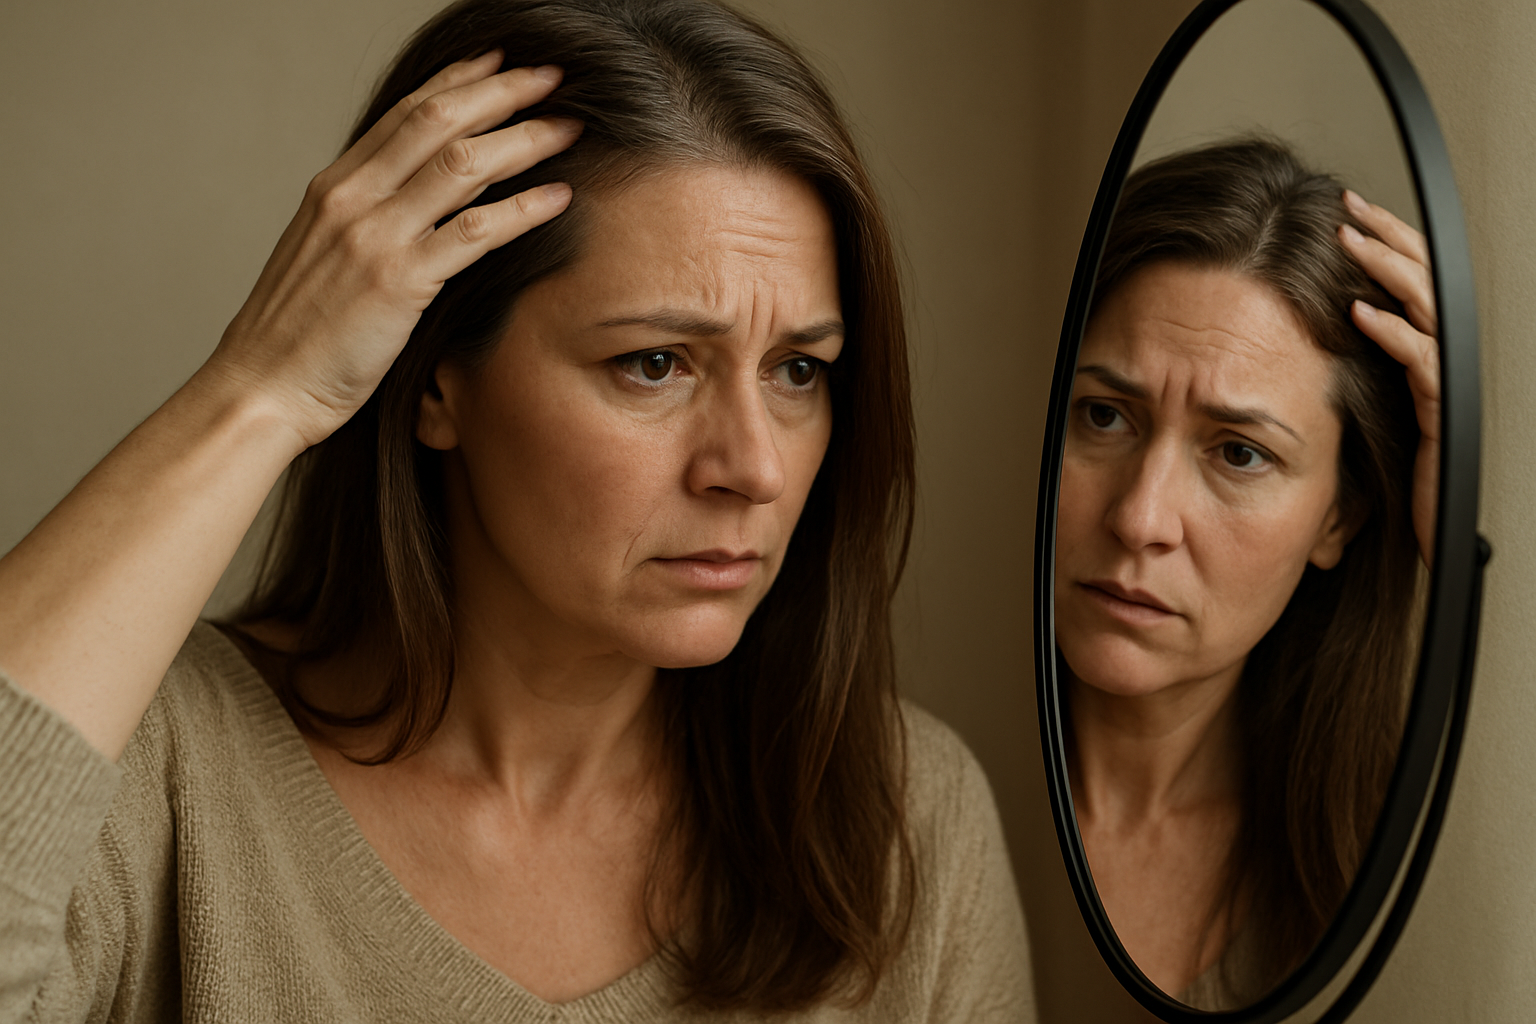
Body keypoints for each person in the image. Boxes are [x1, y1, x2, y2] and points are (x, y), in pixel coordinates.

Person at [0, 0, 1033, 1020]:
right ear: (437, 378)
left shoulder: (901, 816)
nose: (754, 467)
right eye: (656, 363)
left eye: (799, 369)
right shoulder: (152, 765)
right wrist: (261, 386)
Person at [1054, 137, 1439, 1010]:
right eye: (1105, 415)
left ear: (1339, 517)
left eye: (1239, 452)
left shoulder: (1365, 865)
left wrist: (1461, 568)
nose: (1140, 517)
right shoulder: (914, 797)